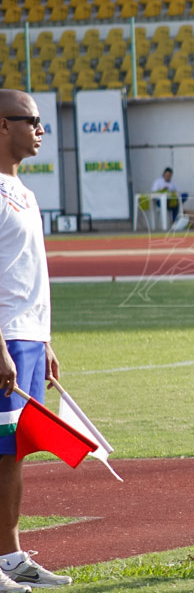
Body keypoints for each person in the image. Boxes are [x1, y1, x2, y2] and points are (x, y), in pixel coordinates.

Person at [0, 89, 73, 591]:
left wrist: (43, 339)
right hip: (3, 339)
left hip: (27, 339)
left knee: (14, 452)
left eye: (40, 120)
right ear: (3, 126)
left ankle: (11, 556)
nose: (39, 128)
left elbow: (28, 274)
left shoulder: (23, 191)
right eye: (29, 120)